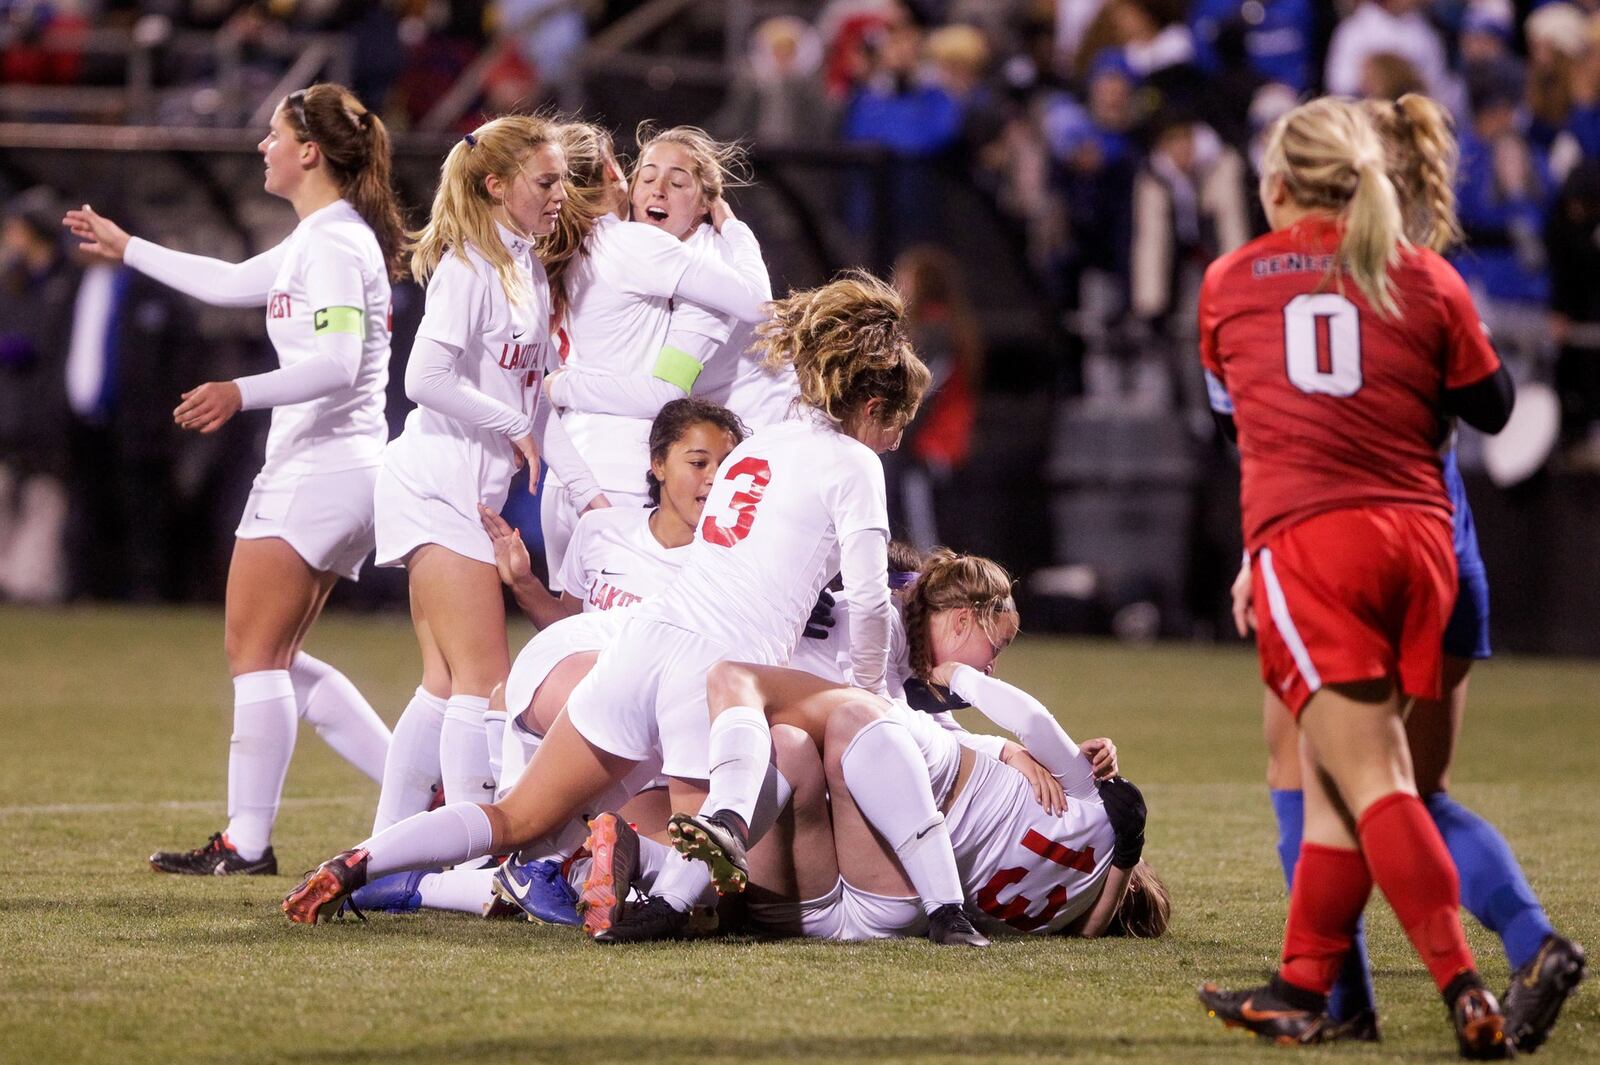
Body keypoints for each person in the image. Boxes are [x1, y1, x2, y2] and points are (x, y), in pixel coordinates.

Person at [278, 273, 959, 945]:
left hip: (643, 642)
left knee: (519, 817)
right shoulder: (853, 465)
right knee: (719, 895)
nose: (898, 439)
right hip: (712, 674)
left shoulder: (756, 448)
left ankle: (362, 859)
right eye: (899, 423)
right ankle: (642, 897)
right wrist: (870, 704)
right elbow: (870, 600)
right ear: (871, 405)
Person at [1225, 92, 1586, 1053]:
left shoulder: (1233, 280)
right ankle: (1326, 981)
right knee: (1389, 786)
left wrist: (1257, 549)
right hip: (1436, 547)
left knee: (1333, 776)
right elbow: (1498, 407)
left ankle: (1427, 989)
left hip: (1319, 546)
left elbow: (1247, 422)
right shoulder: (1424, 276)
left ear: (1278, 182)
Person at [64, 84, 402, 875]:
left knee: (254, 652)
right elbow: (224, 281)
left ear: (309, 151)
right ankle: (418, 790)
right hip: (337, 468)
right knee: (275, 655)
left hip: (320, 469)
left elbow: (338, 362)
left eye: (273, 133)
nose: (262, 147)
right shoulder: (324, 237)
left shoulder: (333, 244)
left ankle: (247, 840)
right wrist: (129, 246)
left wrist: (236, 391)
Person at [347, 397, 745, 920]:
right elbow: (571, 636)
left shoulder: (729, 561)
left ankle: (422, 883)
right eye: (699, 463)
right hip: (575, 731)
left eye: (727, 467)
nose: (714, 479)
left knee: (634, 875)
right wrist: (525, 583)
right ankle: (471, 869)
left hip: (651, 757)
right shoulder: (603, 532)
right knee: (496, 698)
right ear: (658, 464)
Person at [366, 113, 604, 836]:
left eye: (561, 177)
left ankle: (390, 846)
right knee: (486, 680)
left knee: (445, 683)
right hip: (436, 480)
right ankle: (473, 846)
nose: (561, 192)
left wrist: (588, 489)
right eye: (546, 179)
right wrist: (509, 429)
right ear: (496, 185)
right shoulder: (472, 265)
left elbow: (531, 403)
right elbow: (423, 376)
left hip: (460, 484)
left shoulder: (522, 263)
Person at [535, 120, 772, 585]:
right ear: (614, 172)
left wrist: (560, 386)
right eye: (646, 176)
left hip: (567, 475)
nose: (658, 189)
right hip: (621, 474)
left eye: (678, 181)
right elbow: (666, 391)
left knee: (566, 641)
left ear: (703, 201)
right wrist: (735, 228)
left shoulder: (558, 247)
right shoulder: (634, 245)